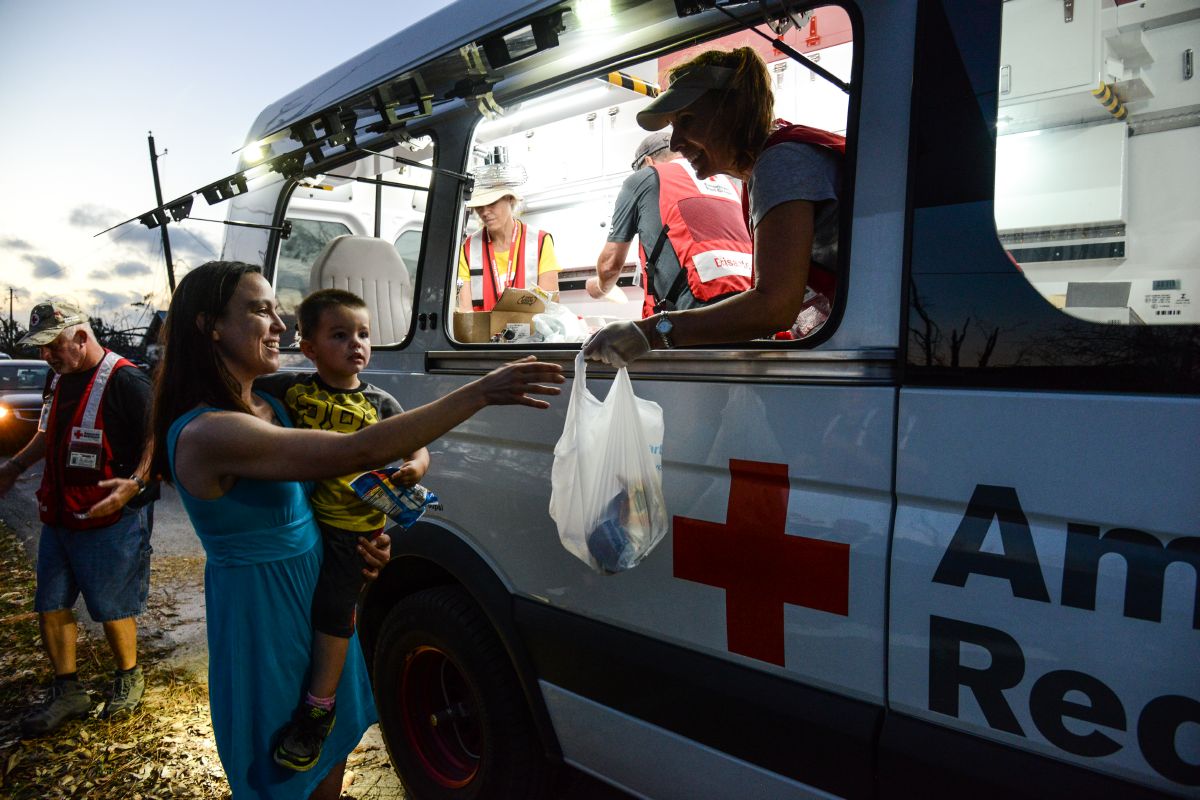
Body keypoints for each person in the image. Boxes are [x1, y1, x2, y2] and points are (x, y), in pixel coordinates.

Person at [147, 261, 562, 799]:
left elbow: (329, 493)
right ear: (210, 326)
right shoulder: (209, 431)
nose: (278, 325)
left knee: (329, 763)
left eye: (277, 310)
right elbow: (355, 450)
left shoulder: (274, 405)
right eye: (258, 310)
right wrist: (479, 391)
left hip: (321, 596)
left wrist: (364, 546)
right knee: (286, 775)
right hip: (264, 616)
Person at [255, 288, 431, 772]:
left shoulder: (379, 401)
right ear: (308, 347)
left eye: (363, 334)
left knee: (335, 614)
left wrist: (414, 467)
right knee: (301, 617)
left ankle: (319, 711)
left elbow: (418, 443)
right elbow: (243, 394)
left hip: (355, 532)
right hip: (306, 523)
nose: (356, 344)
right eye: (340, 335)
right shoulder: (291, 389)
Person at [584, 47, 846, 366]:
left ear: (732, 111)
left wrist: (651, 331)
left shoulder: (780, 163)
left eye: (687, 121)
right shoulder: (771, 165)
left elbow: (775, 306)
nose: (676, 142)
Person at [0, 301, 158, 736]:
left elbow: (157, 436)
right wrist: (13, 467)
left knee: (111, 606)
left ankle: (129, 677)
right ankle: (67, 689)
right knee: (50, 604)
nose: (45, 356)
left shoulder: (126, 379)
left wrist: (136, 482)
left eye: (52, 346)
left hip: (111, 518)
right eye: (40, 349)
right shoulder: (58, 377)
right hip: (60, 512)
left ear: (82, 337)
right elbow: (46, 432)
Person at [587, 128, 753, 318]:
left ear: (648, 161)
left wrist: (599, 287)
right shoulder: (726, 181)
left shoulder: (645, 177)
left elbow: (609, 265)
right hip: (752, 302)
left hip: (698, 313)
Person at [456, 183, 560, 312]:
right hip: (483, 331)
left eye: (492, 203)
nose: (485, 212)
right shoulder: (468, 248)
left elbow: (550, 306)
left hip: (532, 330)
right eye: (479, 206)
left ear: (510, 199)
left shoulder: (540, 241)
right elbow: (466, 311)